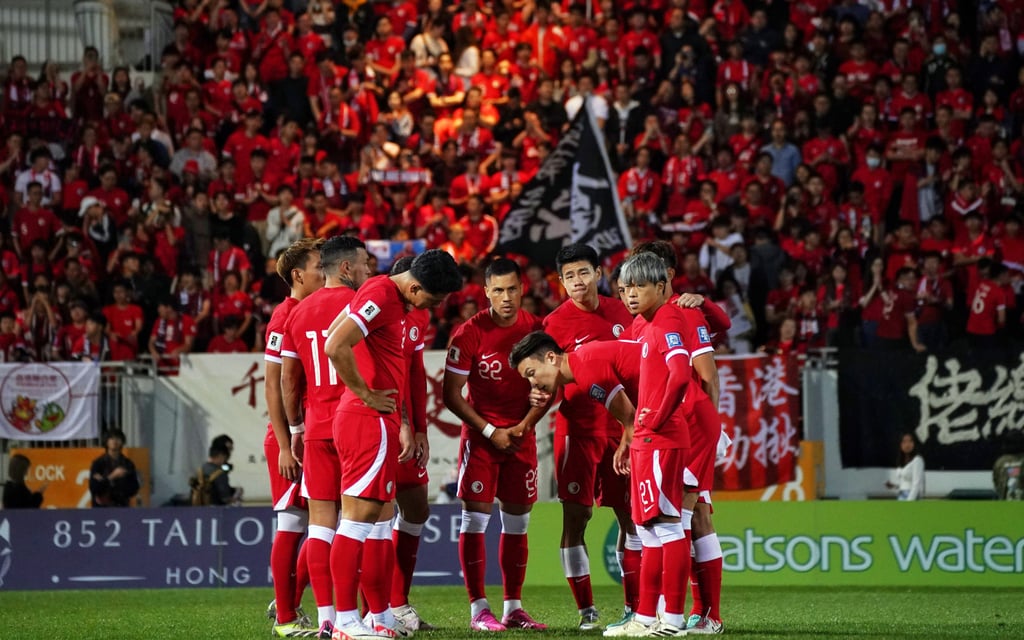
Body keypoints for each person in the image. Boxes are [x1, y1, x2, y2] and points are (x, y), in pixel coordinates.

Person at [324, 249, 462, 639]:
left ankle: (378, 617)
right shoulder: (382, 294)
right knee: (356, 521)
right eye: (433, 299)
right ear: (415, 287)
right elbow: (334, 345)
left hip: (380, 421)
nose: (435, 307)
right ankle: (344, 622)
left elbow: (339, 326)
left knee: (380, 524)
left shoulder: (390, 299)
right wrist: (365, 393)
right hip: (365, 419)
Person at [443, 258, 549, 632]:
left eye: (512, 289)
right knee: (475, 519)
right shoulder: (469, 333)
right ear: (486, 291)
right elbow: (451, 395)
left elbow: (551, 386)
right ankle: (478, 609)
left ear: (523, 289)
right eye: (498, 290)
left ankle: (513, 609)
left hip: (522, 437)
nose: (506, 297)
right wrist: (491, 432)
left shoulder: (537, 330)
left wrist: (524, 425)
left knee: (518, 522)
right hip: (482, 441)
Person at [539, 243, 636, 631]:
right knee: (576, 518)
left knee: (631, 517)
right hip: (577, 432)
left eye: (583, 272)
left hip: (623, 429)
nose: (577, 281)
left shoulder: (625, 311)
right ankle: (587, 611)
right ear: (561, 282)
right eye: (569, 276)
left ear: (598, 273)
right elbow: (548, 381)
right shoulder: (553, 324)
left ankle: (635, 608)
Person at [281, 236, 371, 639]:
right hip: (356, 423)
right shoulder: (361, 304)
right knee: (366, 522)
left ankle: (326, 619)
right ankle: (370, 615)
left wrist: (296, 429)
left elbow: (288, 380)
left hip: (316, 427)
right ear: (347, 266)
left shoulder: (297, 312)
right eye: (364, 263)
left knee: (320, 526)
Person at [614, 252, 699, 637]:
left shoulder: (667, 319)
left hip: (662, 438)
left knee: (667, 526)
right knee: (648, 529)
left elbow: (681, 374)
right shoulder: (646, 324)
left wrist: (659, 416)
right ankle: (647, 617)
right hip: (648, 438)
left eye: (640, 286)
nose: (631, 294)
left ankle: (674, 619)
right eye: (626, 287)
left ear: (662, 286)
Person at [263, 238, 324, 638]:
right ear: (299, 275)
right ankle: (285, 618)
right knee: (293, 521)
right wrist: (286, 444)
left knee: (322, 522)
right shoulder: (283, 316)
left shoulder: (313, 312)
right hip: (290, 439)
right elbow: (274, 385)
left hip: (312, 434)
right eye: (319, 266)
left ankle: (288, 600)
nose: (325, 272)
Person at [387, 256, 435, 632]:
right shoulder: (380, 309)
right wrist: (402, 422)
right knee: (360, 518)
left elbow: (415, 373)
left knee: (417, 507)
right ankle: (292, 596)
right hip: (376, 420)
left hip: (405, 426)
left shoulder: (420, 315)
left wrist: (420, 428)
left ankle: (397, 603)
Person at [89, 429, 140, 507]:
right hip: (102, 508)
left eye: (118, 438)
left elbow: (134, 488)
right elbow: (94, 488)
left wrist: (123, 484)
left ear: (122, 442)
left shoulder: (128, 463)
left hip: (121, 506)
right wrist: (111, 477)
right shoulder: (98, 463)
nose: (115, 441)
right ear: (106, 441)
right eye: (111, 438)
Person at [200, 440, 242, 506]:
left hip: (199, 507)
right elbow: (225, 497)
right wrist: (234, 497)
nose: (225, 461)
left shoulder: (201, 469)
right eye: (225, 458)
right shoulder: (220, 473)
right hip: (217, 508)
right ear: (221, 456)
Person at [886, 433, 925, 501]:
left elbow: (916, 484)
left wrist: (909, 502)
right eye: (904, 442)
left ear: (914, 443)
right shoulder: (901, 461)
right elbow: (904, 484)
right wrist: (894, 486)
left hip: (912, 496)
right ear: (900, 445)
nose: (907, 444)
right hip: (901, 495)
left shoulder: (917, 460)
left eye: (910, 441)